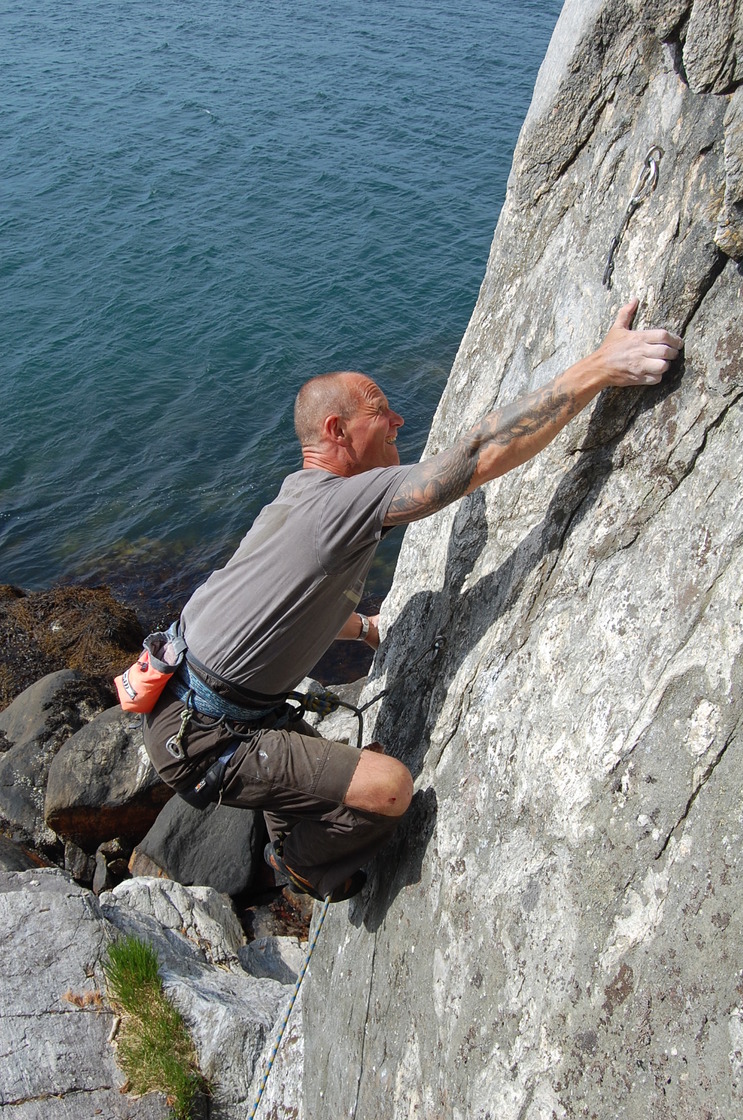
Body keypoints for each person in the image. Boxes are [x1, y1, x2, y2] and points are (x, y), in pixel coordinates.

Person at [143, 299, 683, 902]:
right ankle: (297, 865)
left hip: (192, 692)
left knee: (338, 774)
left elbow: (283, 604)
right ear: (336, 431)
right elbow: (474, 458)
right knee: (388, 786)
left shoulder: (297, 498)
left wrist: (364, 629)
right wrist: (598, 368)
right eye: (381, 411)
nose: (398, 420)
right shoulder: (343, 504)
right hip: (205, 734)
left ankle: (287, 830)